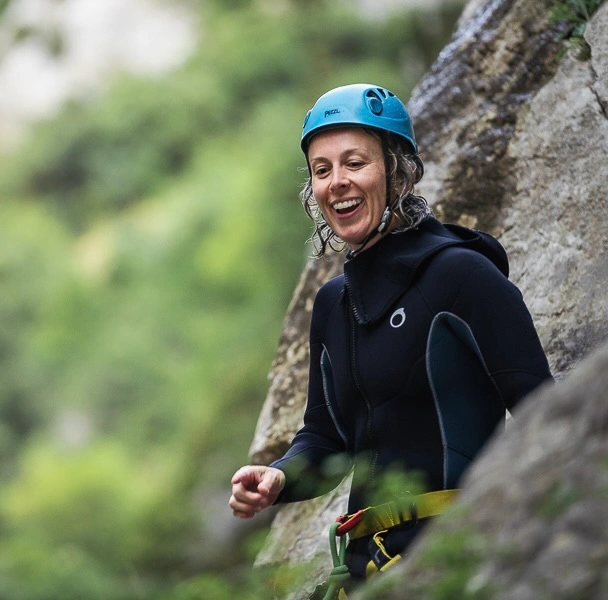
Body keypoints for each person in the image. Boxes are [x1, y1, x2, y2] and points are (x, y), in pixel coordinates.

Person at [228, 83, 552, 587]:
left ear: (398, 171)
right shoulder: (333, 304)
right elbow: (327, 437)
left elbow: (545, 414)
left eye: (354, 163)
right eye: (321, 170)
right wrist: (279, 476)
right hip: (366, 571)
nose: (337, 181)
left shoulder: (462, 276)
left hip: (457, 559)